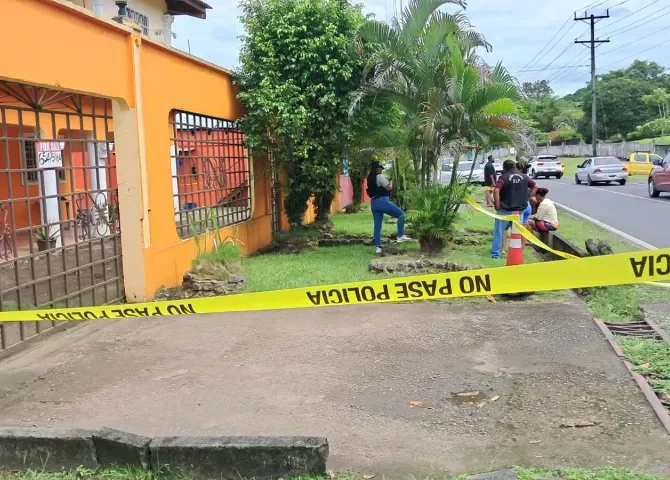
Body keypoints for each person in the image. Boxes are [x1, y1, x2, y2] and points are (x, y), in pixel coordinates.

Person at [492, 160, 537, 259]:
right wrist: (528, 199)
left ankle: (496, 255)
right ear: (515, 167)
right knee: (517, 233)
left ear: (504, 168)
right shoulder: (524, 177)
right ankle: (517, 253)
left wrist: (498, 205)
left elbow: (496, 190)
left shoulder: (503, 178)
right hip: (519, 211)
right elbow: (535, 186)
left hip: (504, 210)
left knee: (499, 232)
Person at [366, 161, 412, 254]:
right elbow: (388, 188)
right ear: (377, 169)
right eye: (380, 168)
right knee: (402, 215)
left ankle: (378, 247)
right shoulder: (379, 177)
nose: (381, 170)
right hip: (382, 201)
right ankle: (400, 236)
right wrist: (391, 183)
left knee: (377, 225)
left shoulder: (369, 178)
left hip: (374, 203)